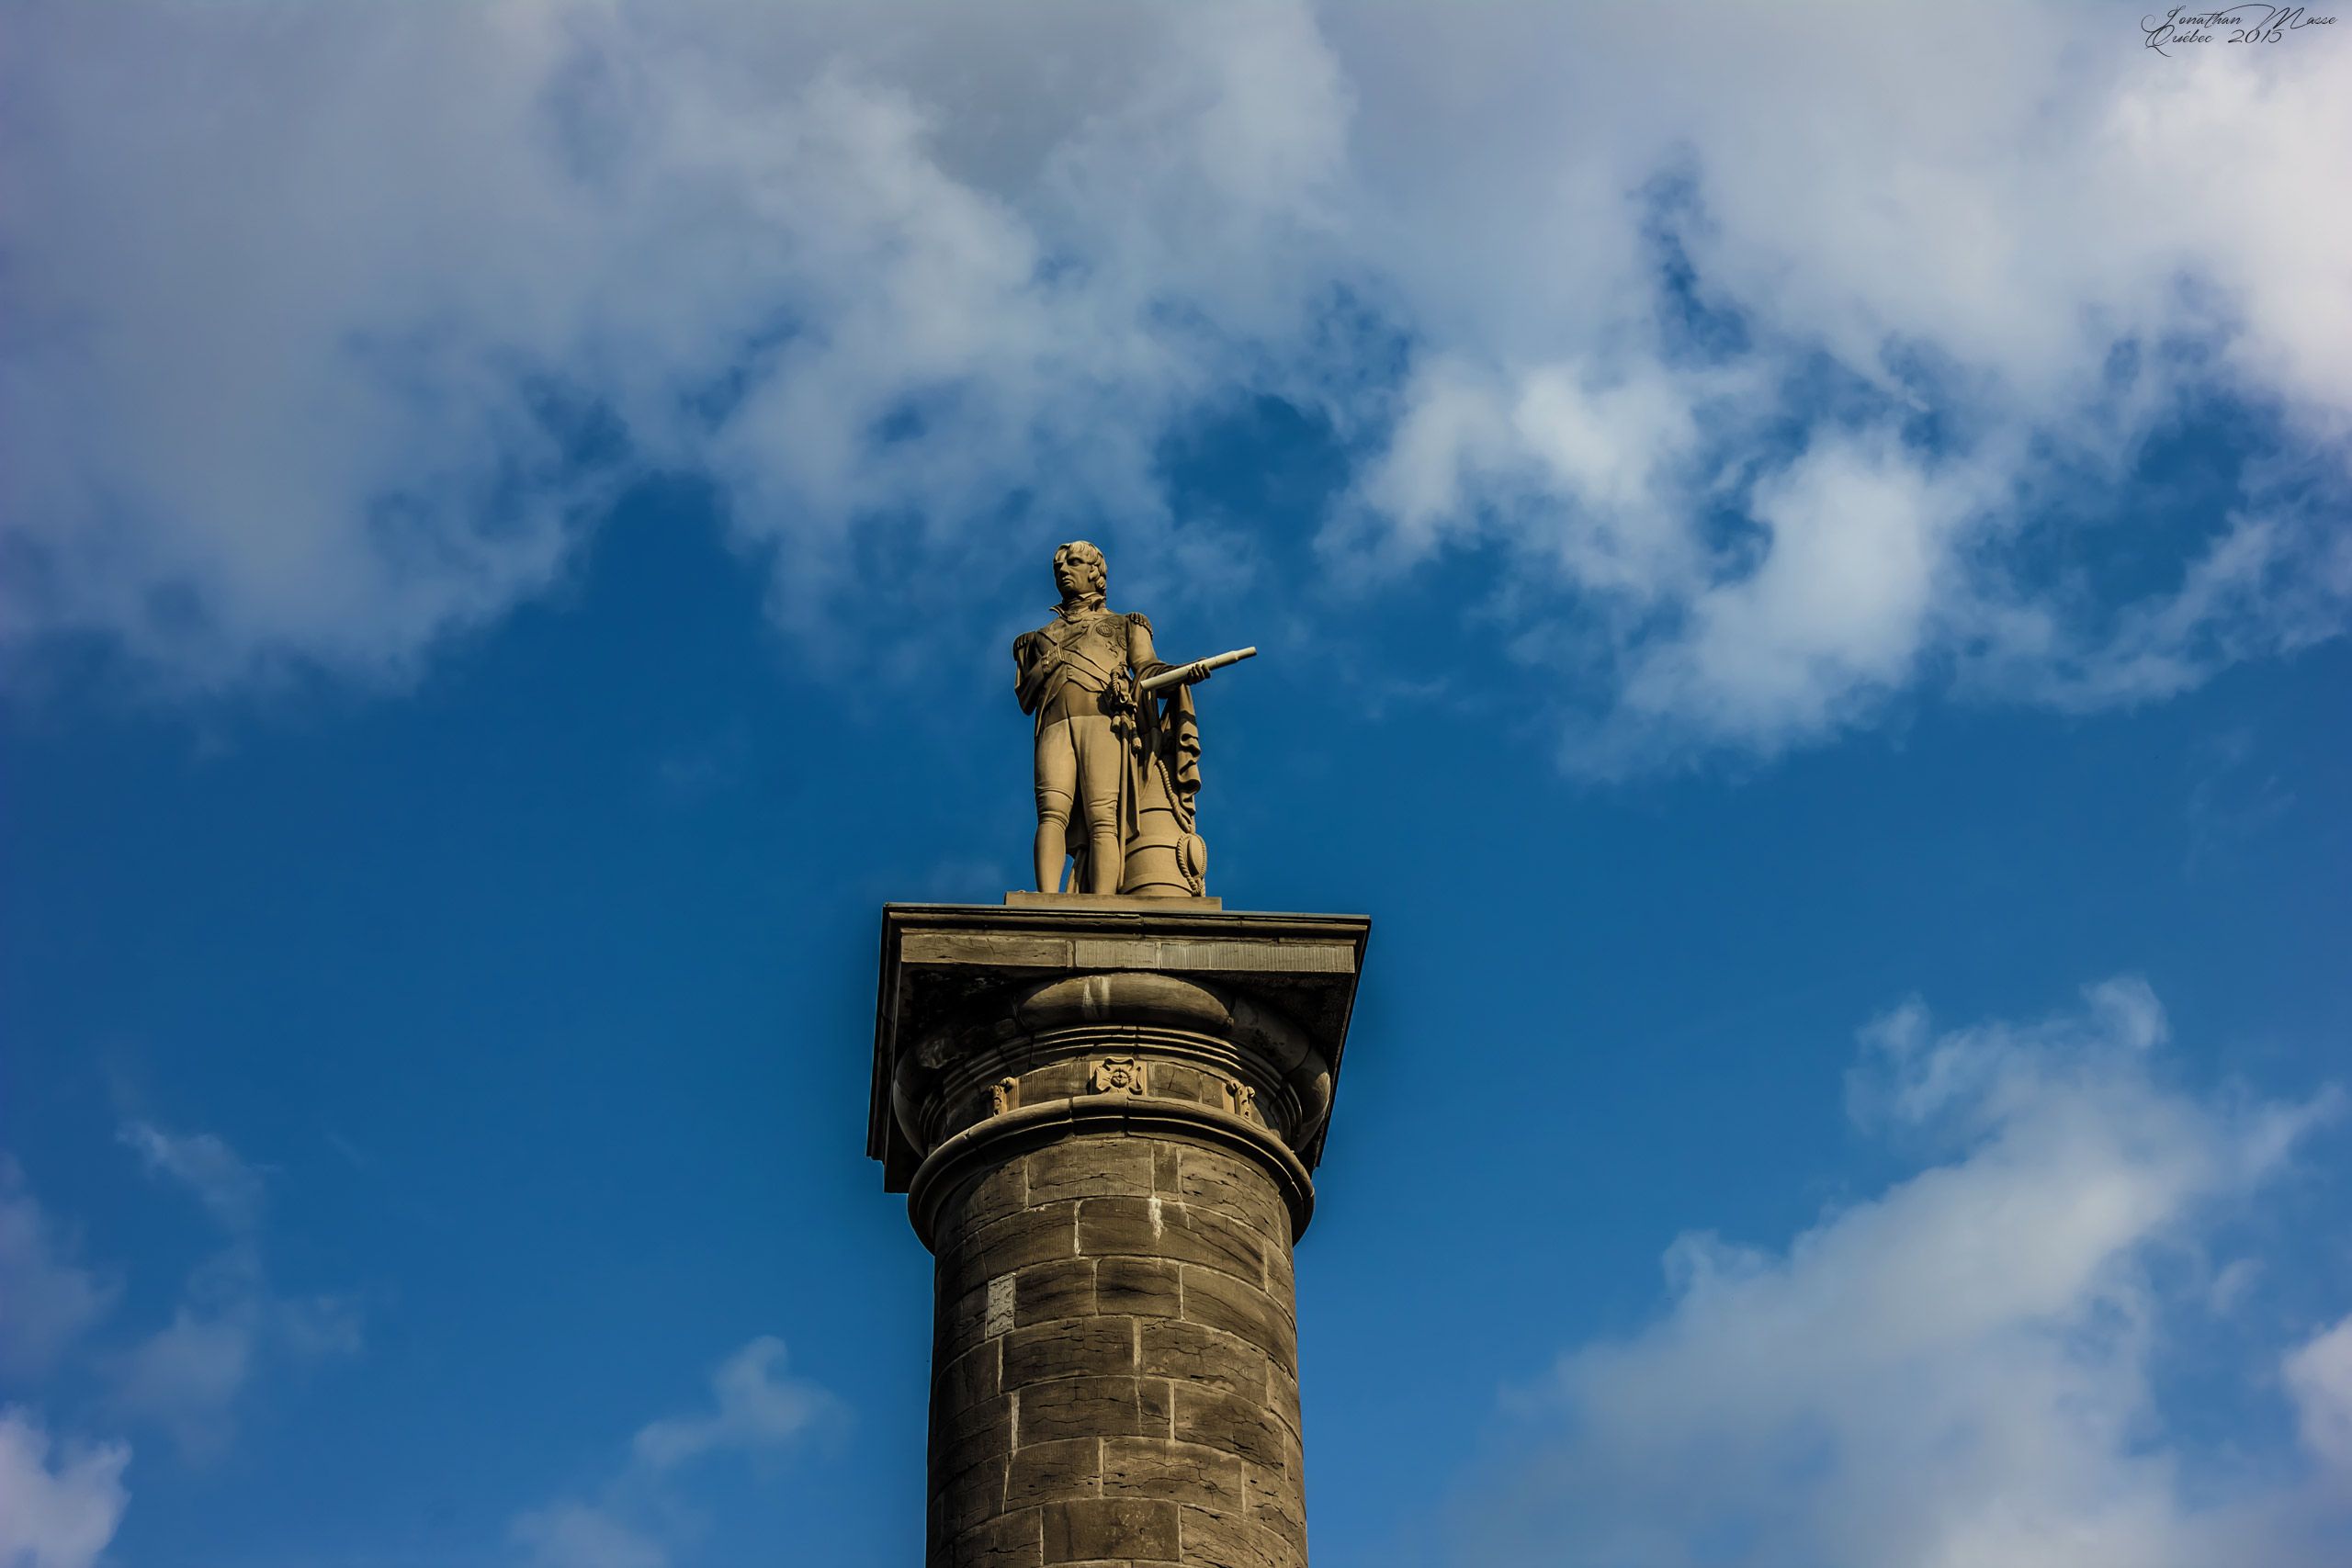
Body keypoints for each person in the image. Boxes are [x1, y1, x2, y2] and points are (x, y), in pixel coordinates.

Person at [1012, 542, 1205, 894]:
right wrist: (1045, 664)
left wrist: (1181, 674)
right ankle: (1047, 898)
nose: (1064, 571)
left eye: (1074, 563)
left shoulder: (1125, 625)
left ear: (1096, 573)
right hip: (1055, 725)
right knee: (1052, 810)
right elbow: (1026, 697)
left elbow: (1147, 669)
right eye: (1060, 566)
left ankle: (1102, 902)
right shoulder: (1037, 639)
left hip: (1104, 724)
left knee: (1104, 817)